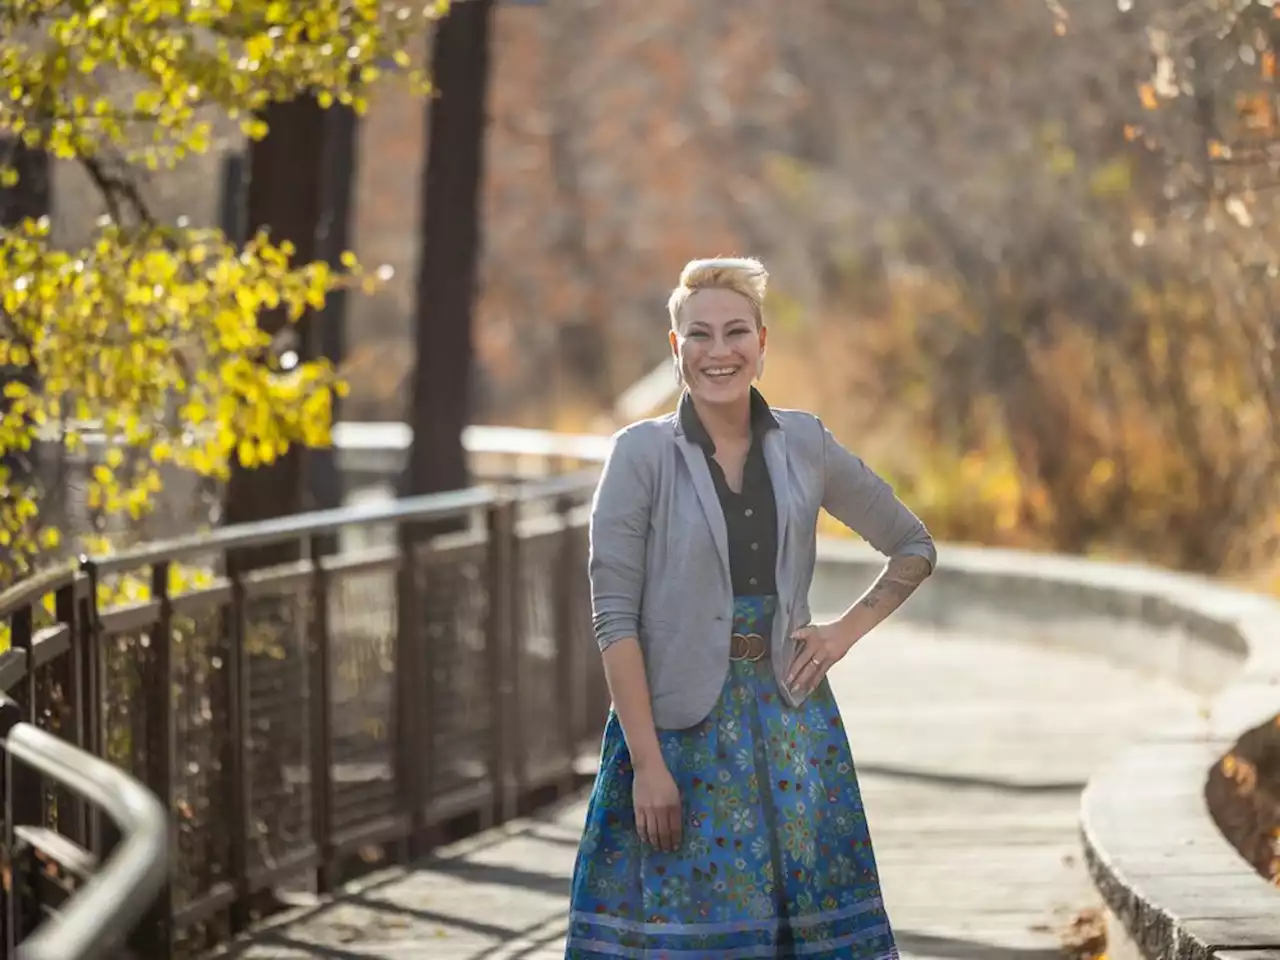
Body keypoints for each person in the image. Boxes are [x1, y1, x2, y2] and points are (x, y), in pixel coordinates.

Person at [565, 256, 936, 959]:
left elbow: (912, 546)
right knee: (688, 936)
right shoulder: (639, 455)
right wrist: (647, 764)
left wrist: (841, 635)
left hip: (795, 732)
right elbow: (614, 619)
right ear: (677, 349)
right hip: (678, 734)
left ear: (762, 343)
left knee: (810, 937)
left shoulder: (805, 442)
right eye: (699, 336)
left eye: (736, 332)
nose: (718, 351)